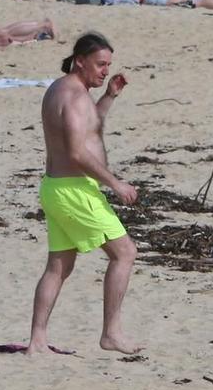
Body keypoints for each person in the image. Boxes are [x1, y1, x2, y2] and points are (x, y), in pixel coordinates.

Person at [29, 34, 142, 354]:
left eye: (108, 65)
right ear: (80, 60)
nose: (106, 71)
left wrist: (109, 97)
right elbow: (78, 152)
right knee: (125, 253)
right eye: (100, 64)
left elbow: (87, 127)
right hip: (75, 191)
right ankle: (111, 333)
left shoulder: (61, 89)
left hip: (56, 188)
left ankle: (37, 340)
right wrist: (115, 184)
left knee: (59, 266)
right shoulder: (76, 97)